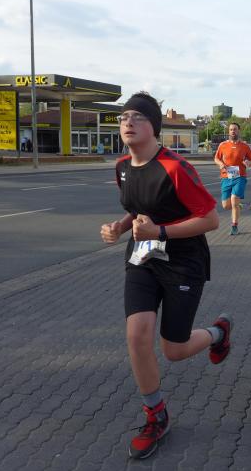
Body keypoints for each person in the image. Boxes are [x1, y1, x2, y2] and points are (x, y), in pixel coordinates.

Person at [100, 92, 228, 460]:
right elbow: (139, 208)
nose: (128, 122)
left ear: (154, 127)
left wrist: (159, 232)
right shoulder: (122, 167)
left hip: (183, 261)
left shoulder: (175, 168)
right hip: (143, 258)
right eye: (124, 116)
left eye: (138, 117)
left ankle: (218, 333)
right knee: (137, 334)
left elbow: (210, 219)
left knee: (174, 350)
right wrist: (119, 227)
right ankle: (156, 415)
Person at [213, 122, 251, 235]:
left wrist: (248, 163)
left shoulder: (245, 146)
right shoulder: (222, 145)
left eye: (235, 129)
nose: (233, 131)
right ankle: (238, 205)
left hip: (240, 177)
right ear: (229, 132)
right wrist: (220, 164)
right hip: (226, 177)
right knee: (226, 205)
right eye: (231, 129)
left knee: (234, 200)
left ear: (238, 131)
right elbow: (216, 158)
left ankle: (234, 226)